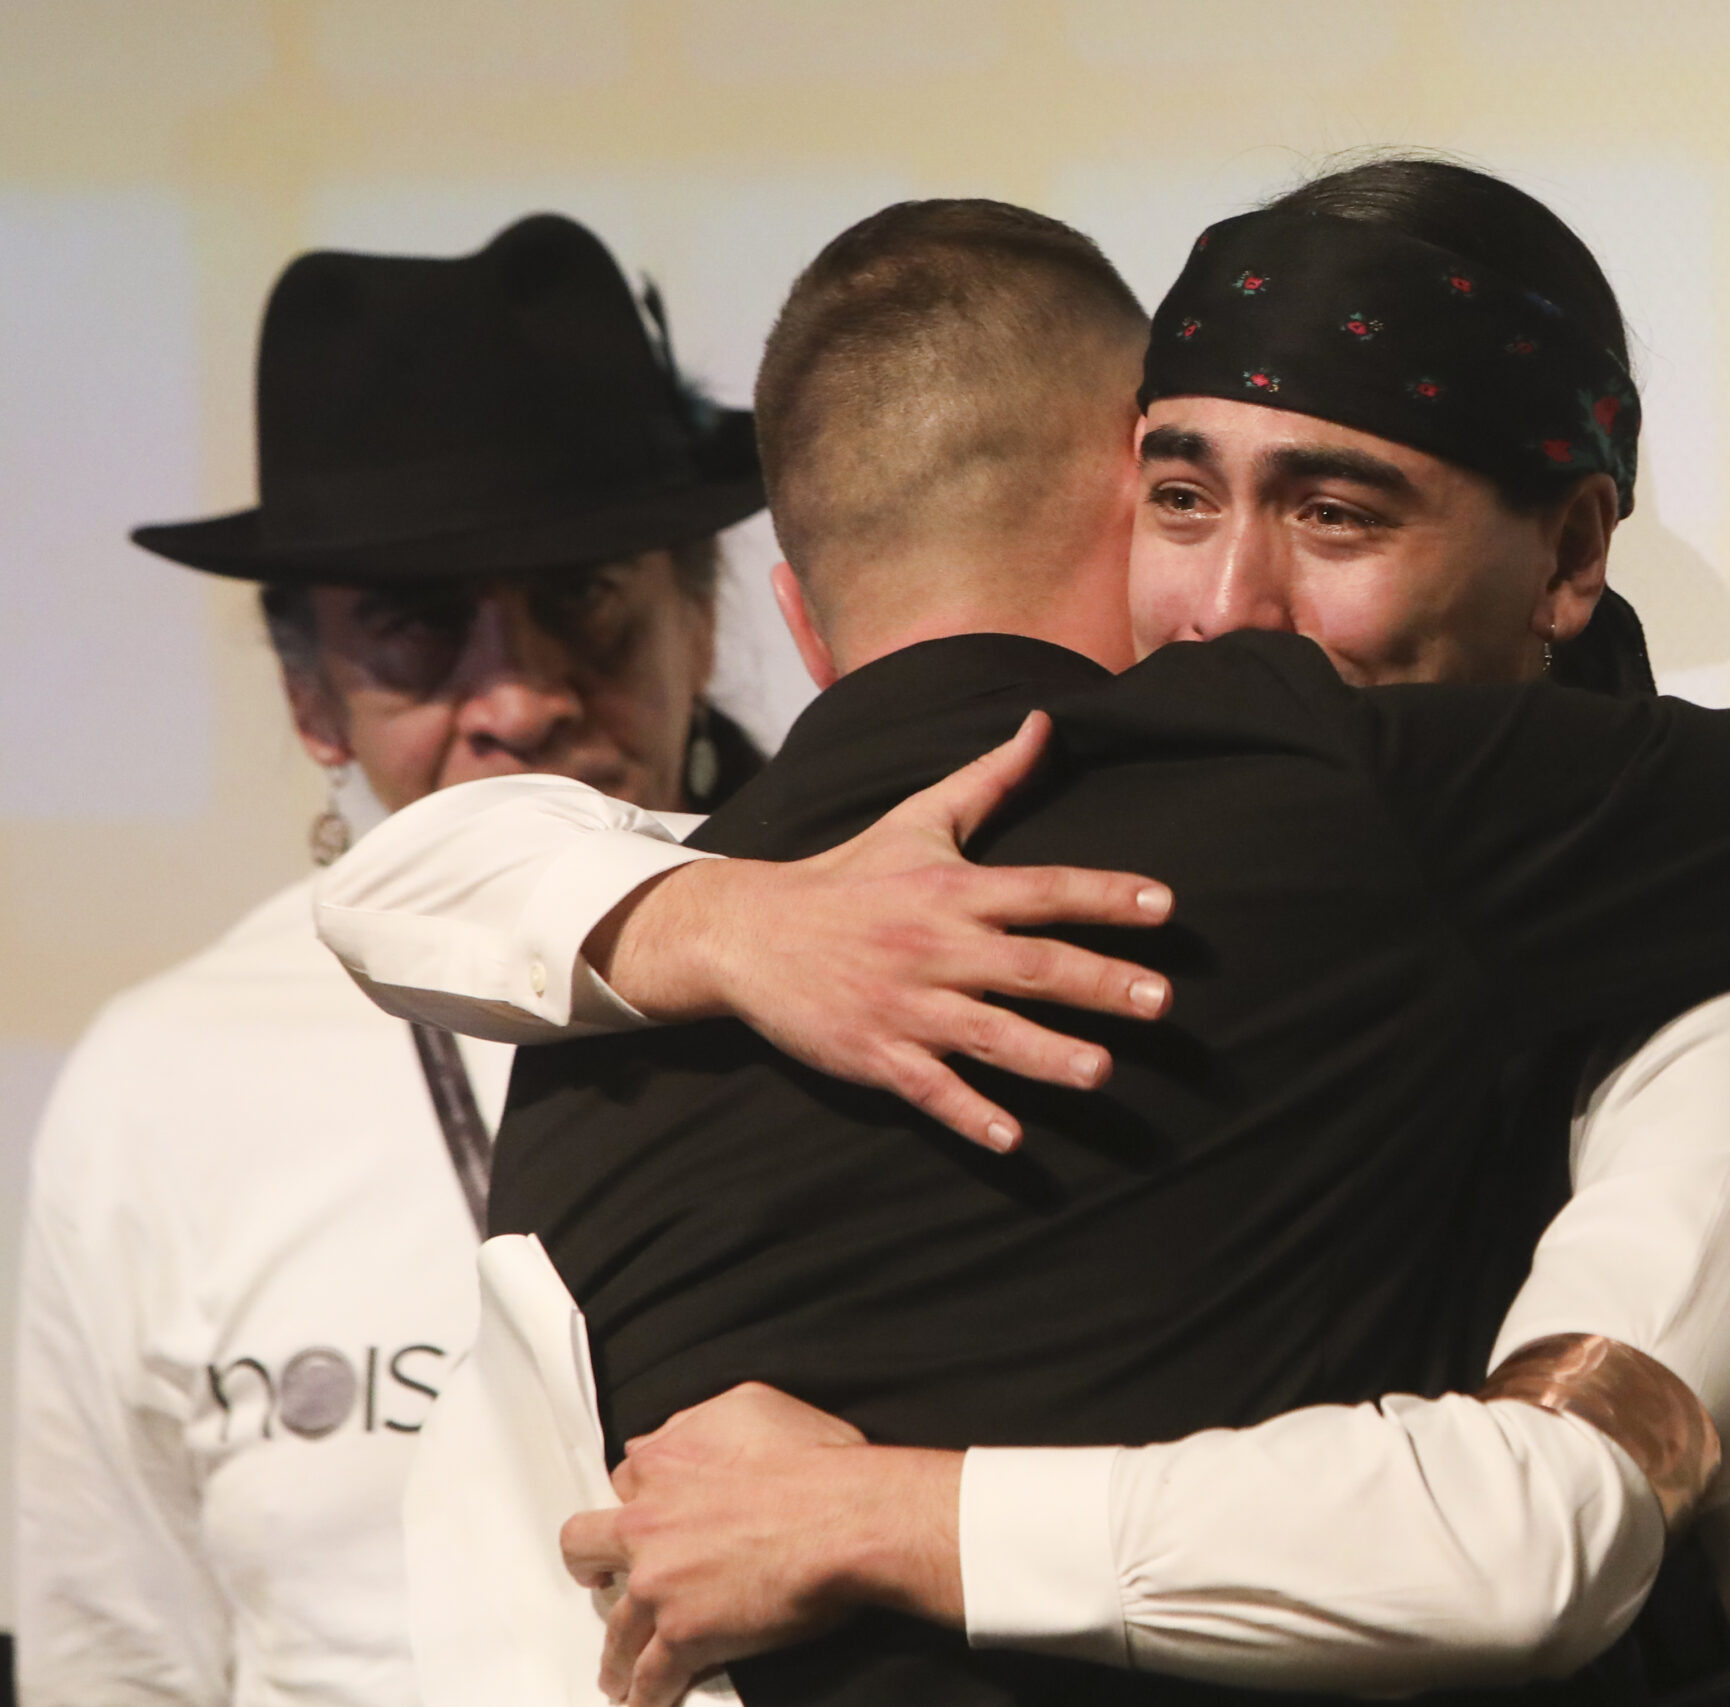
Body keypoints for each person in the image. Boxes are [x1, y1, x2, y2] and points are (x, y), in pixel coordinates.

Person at [322, 185, 1730, 1707]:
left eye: (1335, 516)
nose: (1228, 606)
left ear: (1569, 553)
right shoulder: (1096, 891)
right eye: (1179, 502)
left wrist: (889, 1516)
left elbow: (1532, 1527)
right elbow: (457, 865)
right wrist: (721, 915)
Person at [10, 212, 1158, 1707]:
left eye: (583, 599)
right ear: (307, 690)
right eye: (420, 629)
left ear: (710, 613)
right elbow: (118, 1652)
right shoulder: (164, 1085)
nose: (520, 693)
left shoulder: (950, 936)